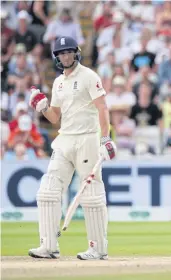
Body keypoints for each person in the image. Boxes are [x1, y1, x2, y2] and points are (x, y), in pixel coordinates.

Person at [27, 36, 116, 260]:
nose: (65, 56)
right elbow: (55, 117)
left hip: (87, 139)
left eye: (69, 52)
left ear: (76, 53)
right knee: (47, 191)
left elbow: (102, 107)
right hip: (65, 139)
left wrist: (105, 139)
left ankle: (98, 248)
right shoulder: (58, 83)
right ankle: (48, 246)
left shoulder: (88, 76)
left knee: (91, 194)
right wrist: (43, 107)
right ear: (56, 57)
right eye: (61, 53)